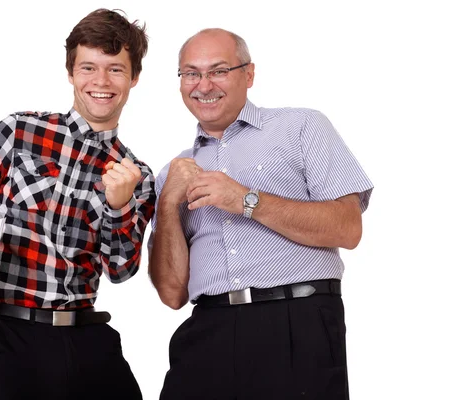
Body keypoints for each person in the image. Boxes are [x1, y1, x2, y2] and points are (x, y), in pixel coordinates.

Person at [0, 9, 155, 400]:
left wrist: (118, 206)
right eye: (88, 67)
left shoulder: (136, 174)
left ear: (134, 77)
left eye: (115, 69)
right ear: (70, 72)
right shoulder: (19, 132)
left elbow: (120, 272)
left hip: (87, 336)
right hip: (9, 336)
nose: (101, 82)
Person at [148, 28, 373, 400]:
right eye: (191, 73)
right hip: (208, 328)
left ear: (248, 74)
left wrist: (245, 200)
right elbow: (172, 295)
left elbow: (348, 228)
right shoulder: (174, 172)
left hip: (296, 322)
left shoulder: (301, 126)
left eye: (218, 70)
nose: (203, 85)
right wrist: (167, 205)